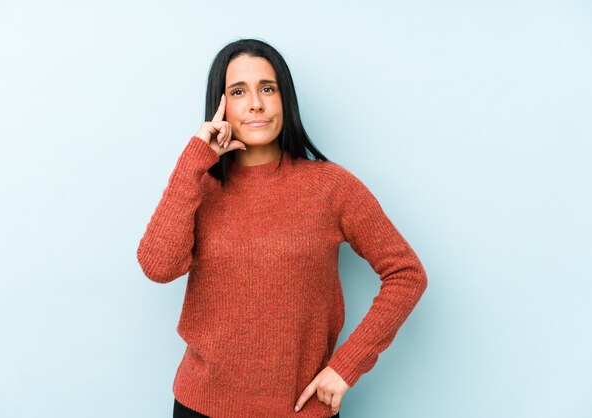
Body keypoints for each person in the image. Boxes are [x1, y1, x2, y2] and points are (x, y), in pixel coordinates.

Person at [136, 38, 428, 418]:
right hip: (201, 406)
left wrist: (346, 367)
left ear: (284, 100)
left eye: (267, 89)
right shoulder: (199, 187)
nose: (255, 102)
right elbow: (159, 267)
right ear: (220, 106)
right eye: (238, 91)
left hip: (301, 410)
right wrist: (195, 158)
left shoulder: (331, 186)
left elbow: (406, 273)